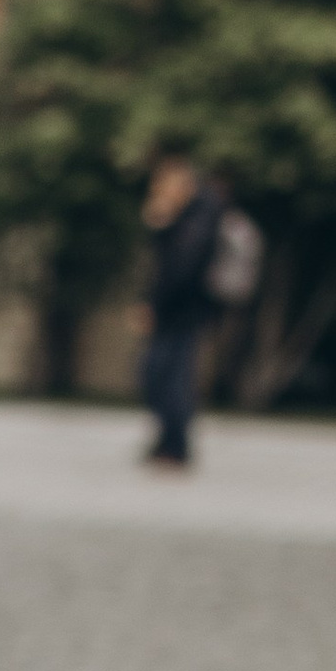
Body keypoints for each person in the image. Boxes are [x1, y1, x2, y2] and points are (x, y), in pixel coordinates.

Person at [135, 146, 228, 469]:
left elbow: (179, 268)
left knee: (168, 377)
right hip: (176, 310)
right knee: (159, 375)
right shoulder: (192, 215)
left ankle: (175, 445)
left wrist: (153, 305)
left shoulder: (199, 216)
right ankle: (168, 441)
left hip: (183, 311)